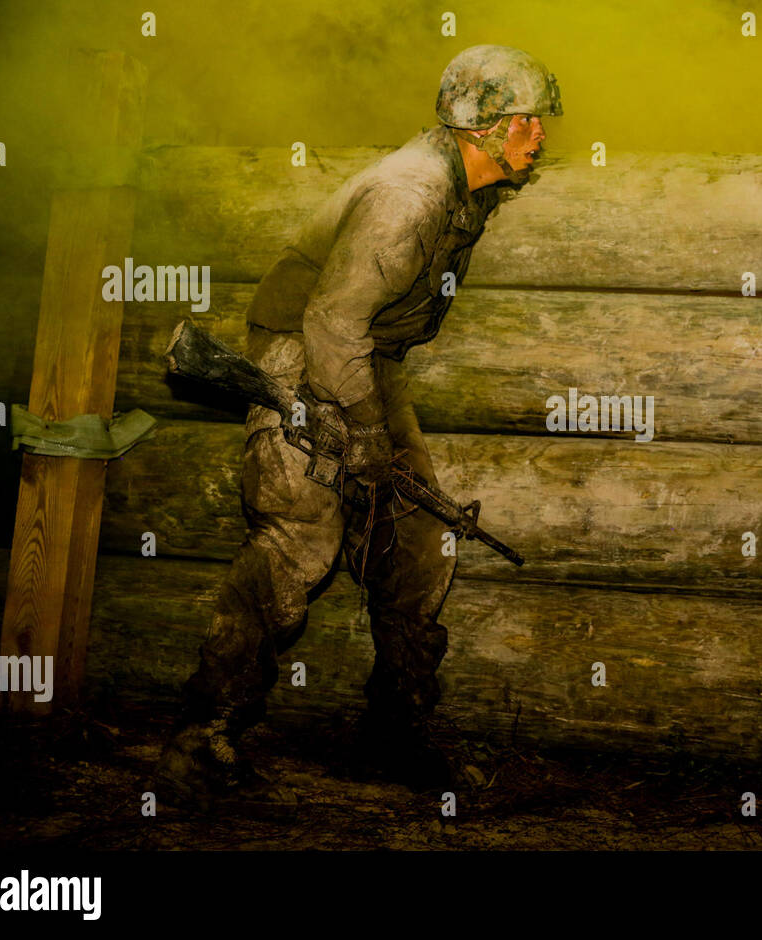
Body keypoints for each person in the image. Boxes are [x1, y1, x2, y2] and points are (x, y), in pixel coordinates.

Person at [155, 44, 561, 811]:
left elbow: (364, 330)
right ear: (478, 126)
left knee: (418, 542)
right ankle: (198, 742)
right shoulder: (408, 195)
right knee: (299, 543)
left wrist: (376, 435)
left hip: (368, 360)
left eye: (540, 120)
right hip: (304, 353)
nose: (539, 136)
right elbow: (332, 320)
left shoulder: (471, 185)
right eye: (524, 122)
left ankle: (393, 732)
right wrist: (363, 437)